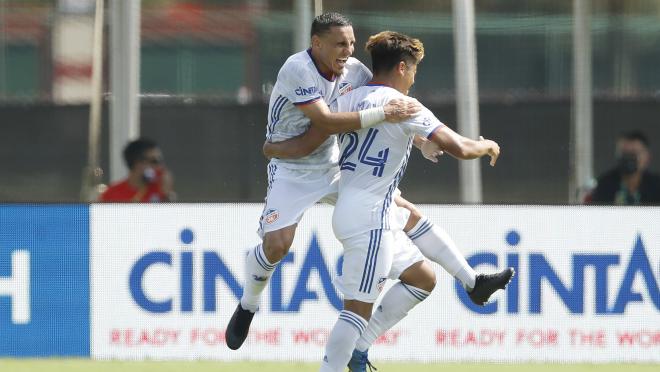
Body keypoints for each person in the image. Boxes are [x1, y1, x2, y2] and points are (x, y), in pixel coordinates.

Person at [225, 12, 510, 352]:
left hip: (333, 164)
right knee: (276, 246)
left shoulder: (356, 72)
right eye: (339, 44)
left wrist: (420, 140)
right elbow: (327, 122)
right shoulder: (297, 69)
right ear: (316, 43)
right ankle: (249, 303)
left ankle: (472, 280)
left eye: (351, 43)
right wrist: (274, 148)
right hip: (292, 166)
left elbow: (377, 113)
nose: (347, 51)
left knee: (404, 209)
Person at [318, 31, 511, 372]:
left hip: (360, 205)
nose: (413, 78)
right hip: (369, 219)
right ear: (403, 68)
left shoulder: (348, 98)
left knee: (423, 277)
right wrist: (487, 146)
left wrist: (419, 141)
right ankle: (339, 363)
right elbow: (461, 148)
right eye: (414, 70)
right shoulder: (404, 105)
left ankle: (473, 283)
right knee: (356, 311)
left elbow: (368, 133)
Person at [588, 130, 660, 205]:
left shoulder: (657, 186)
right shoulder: (604, 184)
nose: (629, 158)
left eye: (634, 153)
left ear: (647, 157)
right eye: (624, 153)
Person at [99, 137, 175, 202]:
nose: (160, 166)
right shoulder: (111, 194)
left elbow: (171, 216)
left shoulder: (160, 189)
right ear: (138, 163)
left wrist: (167, 194)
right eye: (155, 161)